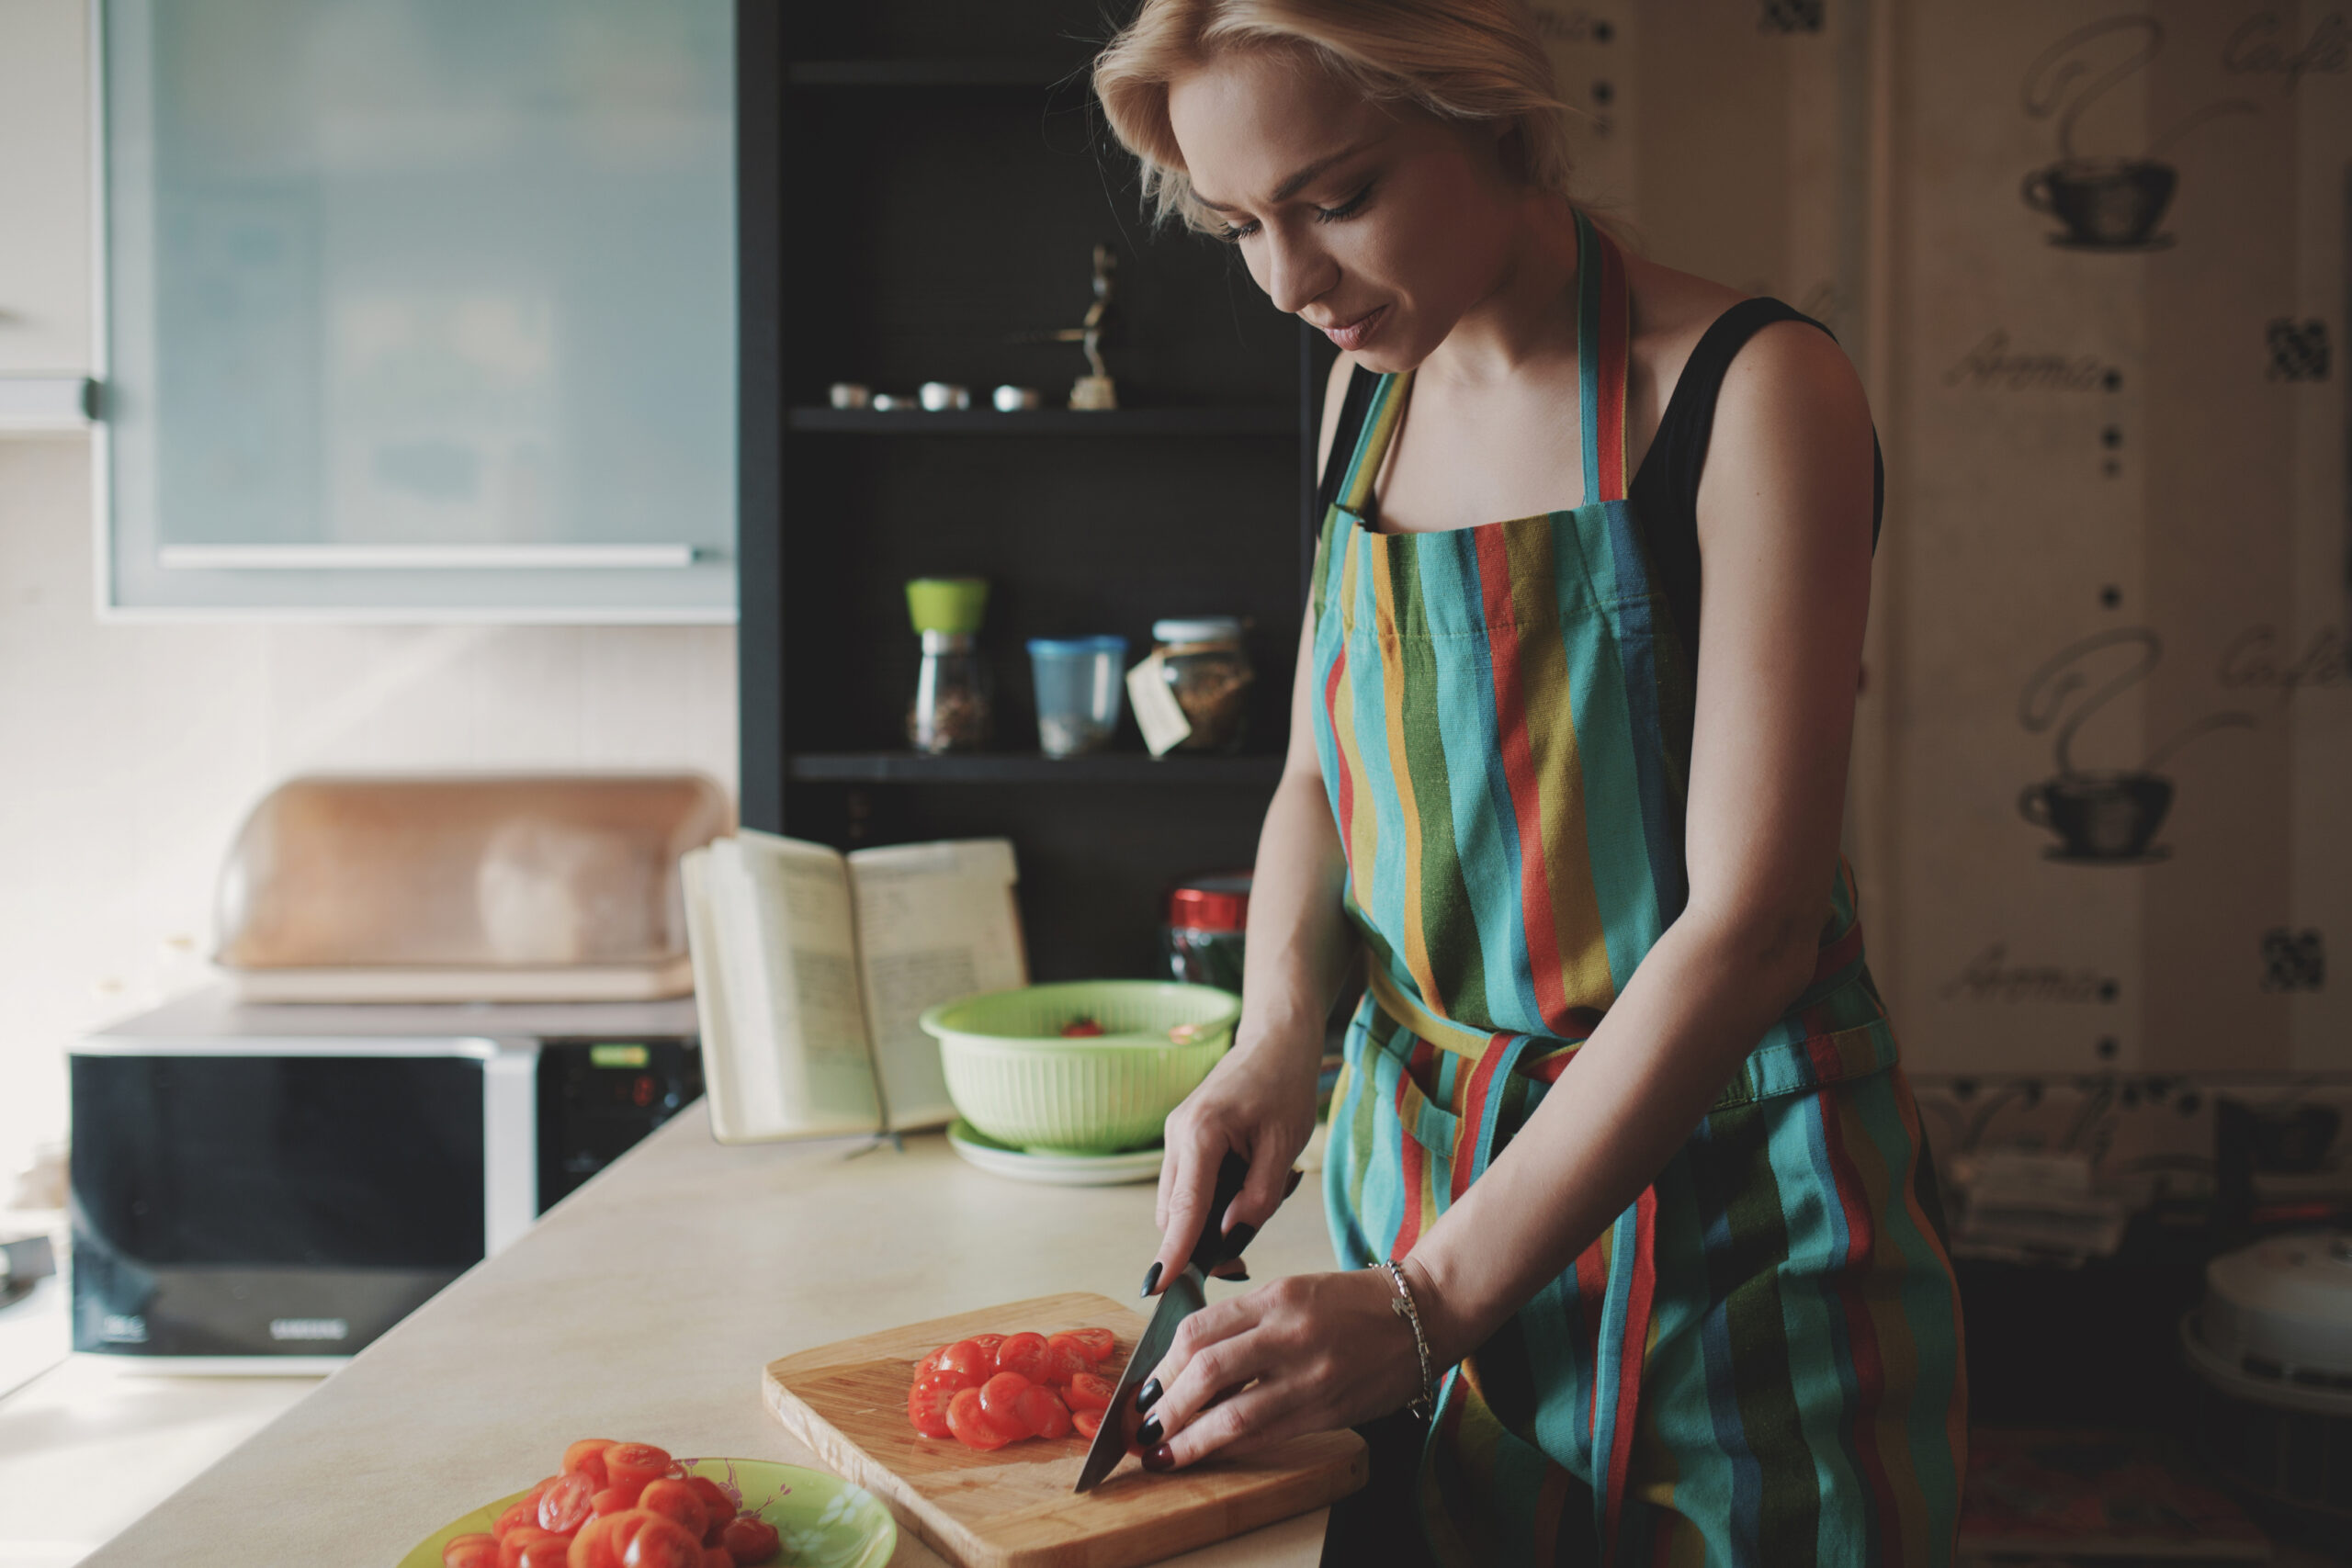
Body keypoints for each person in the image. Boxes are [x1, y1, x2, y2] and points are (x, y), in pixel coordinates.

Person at [1091, 3, 1967, 1563]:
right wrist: (1276, 1043)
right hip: (1412, 1192)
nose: (1290, 285)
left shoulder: (1755, 393)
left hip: (1728, 1233)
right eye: (1241, 226)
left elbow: (1752, 927)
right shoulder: (1373, 386)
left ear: (1491, 114)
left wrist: (1430, 1304)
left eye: (1338, 198)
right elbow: (1314, 767)